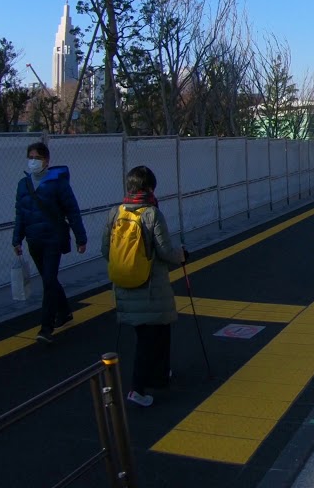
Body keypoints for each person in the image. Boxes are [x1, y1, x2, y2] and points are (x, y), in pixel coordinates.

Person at [101, 165, 185, 407]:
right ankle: (136, 389)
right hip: (151, 287)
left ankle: (160, 375)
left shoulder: (115, 213)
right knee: (152, 337)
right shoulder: (152, 214)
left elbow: (105, 250)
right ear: (149, 188)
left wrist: (128, 264)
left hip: (125, 286)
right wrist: (182, 255)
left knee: (152, 332)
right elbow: (166, 252)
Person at [12, 141, 88, 343]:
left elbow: (72, 211)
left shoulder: (58, 183)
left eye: (37, 158)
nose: (33, 161)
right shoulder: (23, 184)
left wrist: (81, 238)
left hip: (53, 239)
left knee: (48, 281)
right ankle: (65, 312)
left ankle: (46, 328)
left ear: (46, 161)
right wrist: (17, 239)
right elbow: (20, 213)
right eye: (31, 157)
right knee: (49, 279)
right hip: (33, 240)